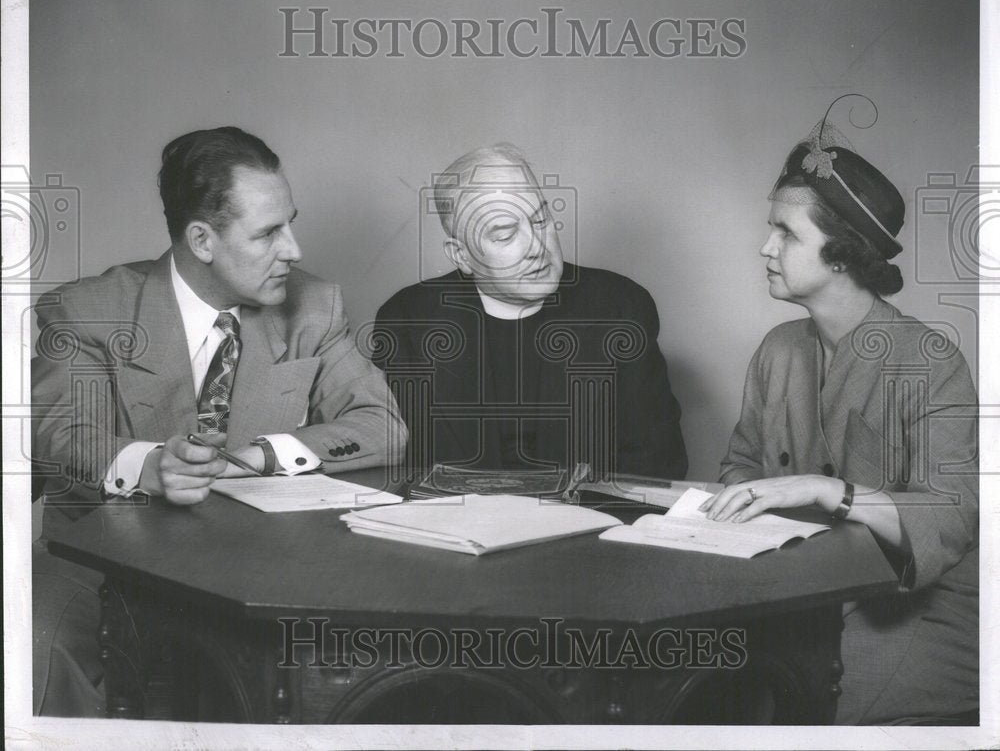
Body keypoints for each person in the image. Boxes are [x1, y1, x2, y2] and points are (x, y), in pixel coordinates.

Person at [32, 126, 407, 715]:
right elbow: (59, 435)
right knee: (40, 646)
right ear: (202, 239)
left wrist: (263, 453)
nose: (295, 249)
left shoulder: (316, 304)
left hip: (264, 567)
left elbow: (383, 424)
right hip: (103, 564)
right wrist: (149, 466)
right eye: (268, 233)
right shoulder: (89, 310)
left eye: (292, 222)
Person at [705, 98, 978, 725]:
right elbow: (740, 464)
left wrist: (829, 490)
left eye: (786, 233)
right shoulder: (778, 350)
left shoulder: (928, 359)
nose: (765, 248)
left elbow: (952, 514)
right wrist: (740, 500)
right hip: (803, 590)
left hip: (915, 610)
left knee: (819, 714)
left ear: (843, 255)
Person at [374, 143, 686, 481]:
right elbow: (397, 464)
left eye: (541, 221)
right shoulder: (407, 319)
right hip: (454, 526)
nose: (538, 248)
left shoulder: (621, 306)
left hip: (587, 525)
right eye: (506, 235)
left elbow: (656, 465)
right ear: (461, 256)